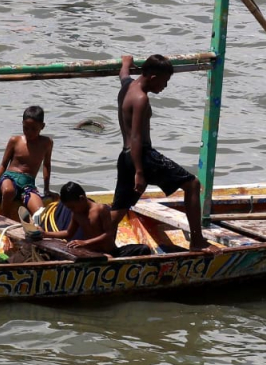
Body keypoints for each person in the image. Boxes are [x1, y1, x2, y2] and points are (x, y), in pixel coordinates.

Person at [115, 54, 215, 252]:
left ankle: (104, 243)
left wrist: (126, 61)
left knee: (118, 209)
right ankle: (197, 241)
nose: (165, 86)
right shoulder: (141, 99)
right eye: (165, 81)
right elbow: (136, 137)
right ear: (152, 77)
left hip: (125, 156)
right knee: (193, 185)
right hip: (142, 156)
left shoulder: (127, 87)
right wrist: (140, 172)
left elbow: (123, 73)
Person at [39, 181, 151, 257]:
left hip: (111, 252)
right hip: (91, 253)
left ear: (82, 198)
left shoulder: (100, 209)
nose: (71, 210)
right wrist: (45, 234)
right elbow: (68, 233)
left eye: (72, 207)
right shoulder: (77, 214)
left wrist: (85, 242)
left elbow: (108, 234)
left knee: (144, 249)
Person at [0, 105, 53, 220]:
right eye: (26, 128)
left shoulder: (47, 143)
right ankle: (5, 219)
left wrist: (46, 189)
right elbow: (3, 164)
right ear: (22, 124)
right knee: (8, 191)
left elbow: (47, 165)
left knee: (40, 213)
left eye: (34, 129)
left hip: (28, 184)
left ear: (42, 126)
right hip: (9, 178)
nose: (29, 132)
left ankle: (36, 232)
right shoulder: (15, 141)